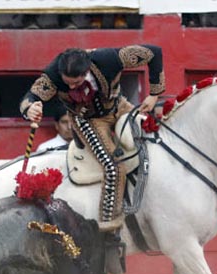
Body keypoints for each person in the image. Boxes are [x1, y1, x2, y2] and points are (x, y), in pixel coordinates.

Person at [20, 45, 164, 232]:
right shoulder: (54, 74)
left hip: (119, 107)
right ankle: (108, 228)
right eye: (68, 83)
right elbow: (30, 97)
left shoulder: (109, 58)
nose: (72, 87)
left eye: (76, 82)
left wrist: (154, 95)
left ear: (87, 70)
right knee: (113, 167)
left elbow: (153, 53)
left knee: (154, 142)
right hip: (87, 120)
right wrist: (29, 109)